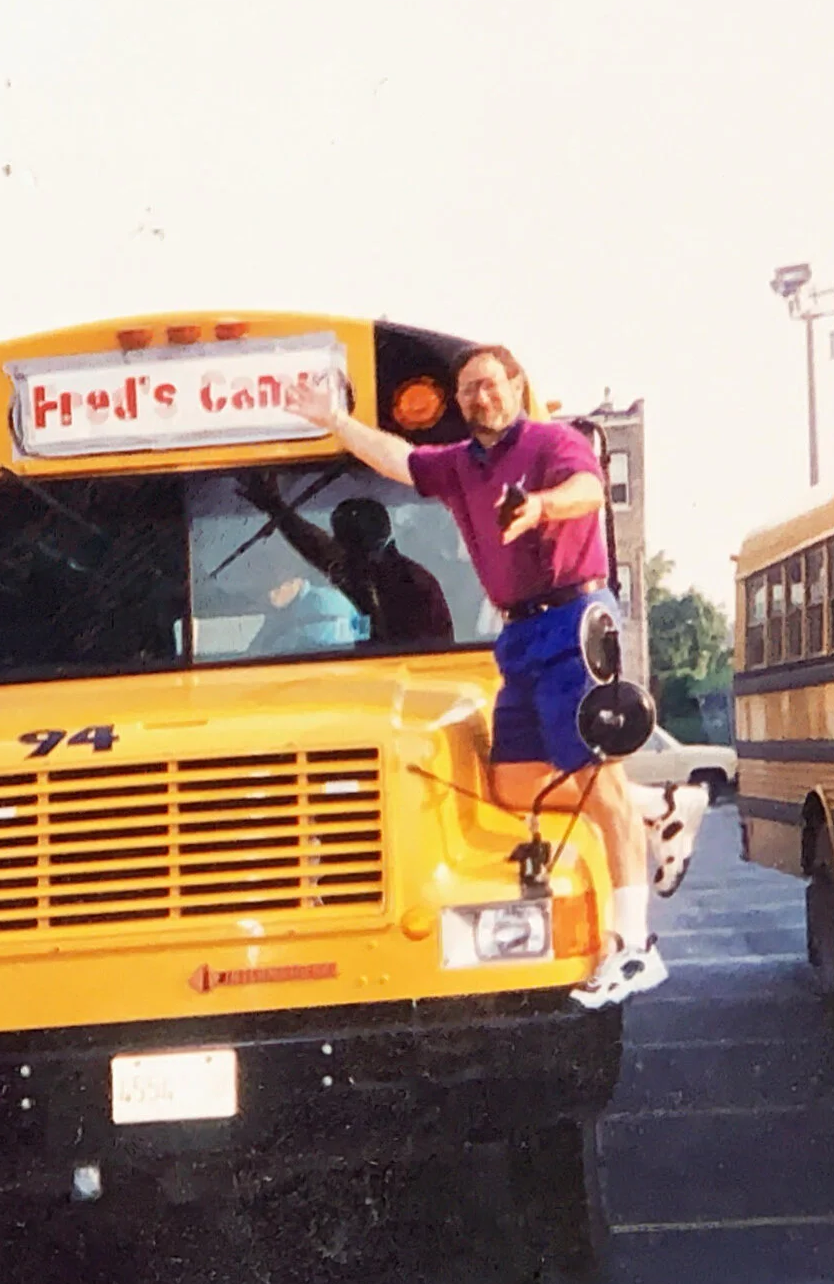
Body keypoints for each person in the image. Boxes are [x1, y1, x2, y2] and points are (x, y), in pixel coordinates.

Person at [285, 344, 692, 1007]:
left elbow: (588, 488)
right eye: (469, 388)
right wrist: (334, 421)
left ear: (517, 386)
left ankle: (635, 948)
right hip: (520, 633)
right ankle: (662, 812)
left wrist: (540, 508)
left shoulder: (550, 443)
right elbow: (397, 458)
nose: (481, 397)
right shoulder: (460, 466)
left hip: (571, 618)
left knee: (598, 780)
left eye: (491, 384)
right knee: (514, 782)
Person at [236, 474, 457, 646]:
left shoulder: (414, 588)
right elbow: (313, 545)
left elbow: (431, 655)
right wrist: (275, 506)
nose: (334, 552)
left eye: (340, 543)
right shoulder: (365, 573)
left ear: (359, 549)